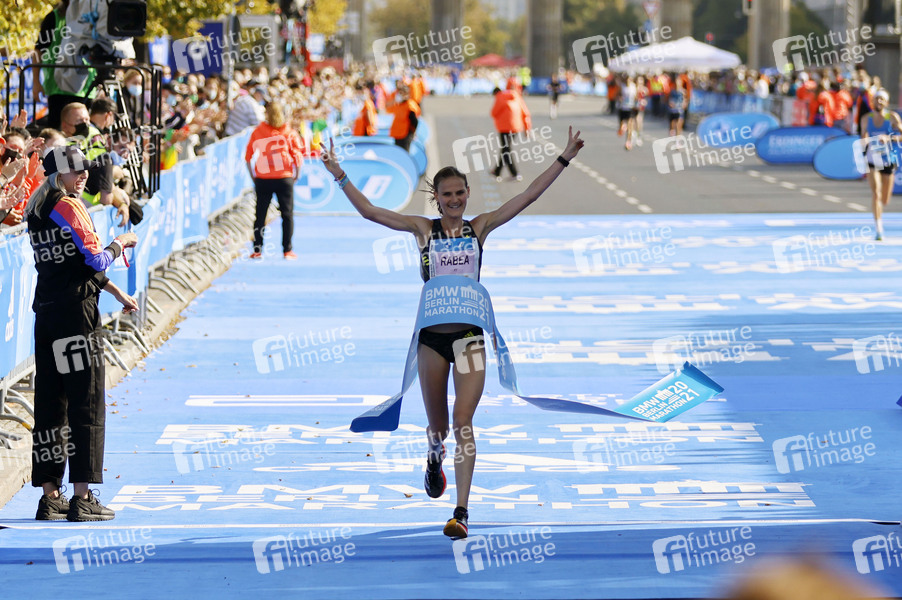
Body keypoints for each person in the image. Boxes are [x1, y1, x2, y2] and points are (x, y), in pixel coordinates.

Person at [319, 126, 585, 539]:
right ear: (437, 199)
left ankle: (461, 512)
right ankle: (433, 454)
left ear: (467, 194)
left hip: (470, 338)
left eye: (460, 193)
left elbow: (528, 195)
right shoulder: (423, 230)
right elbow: (371, 211)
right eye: (447, 195)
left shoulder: (480, 228)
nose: (455, 200)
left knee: (464, 420)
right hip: (431, 340)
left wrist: (564, 158)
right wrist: (339, 173)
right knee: (440, 429)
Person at [25, 145, 138, 521]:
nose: (85, 175)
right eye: (77, 170)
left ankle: (50, 495)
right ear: (59, 175)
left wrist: (114, 290)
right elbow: (95, 258)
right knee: (85, 402)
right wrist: (121, 243)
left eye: (85, 169)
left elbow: (72, 263)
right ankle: (82, 495)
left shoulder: (36, 208)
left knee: (49, 404)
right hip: (76, 317)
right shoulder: (69, 206)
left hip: (47, 313)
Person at [245, 101, 305, 259]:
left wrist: (253, 175)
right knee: (287, 214)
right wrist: (297, 174)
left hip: (263, 178)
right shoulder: (289, 132)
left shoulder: (258, 131)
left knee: (260, 215)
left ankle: (257, 249)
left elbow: (248, 156)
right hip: (284, 177)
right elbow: (297, 155)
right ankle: (287, 250)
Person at [861, 89, 902, 241]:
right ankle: (879, 229)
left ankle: (880, 213)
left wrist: (889, 138)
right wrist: (865, 143)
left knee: (885, 199)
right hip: (872, 159)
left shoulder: (892, 117)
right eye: (876, 99)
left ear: (886, 102)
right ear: (872, 101)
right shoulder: (866, 118)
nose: (879, 102)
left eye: (882, 99)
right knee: (876, 193)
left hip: (888, 160)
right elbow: (863, 136)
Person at [490, 84, 531, 181]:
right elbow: (525, 114)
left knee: (506, 150)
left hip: (503, 127)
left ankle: (514, 173)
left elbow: (493, 112)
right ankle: (497, 171)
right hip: (515, 127)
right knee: (506, 149)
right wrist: (527, 129)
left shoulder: (500, 97)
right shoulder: (518, 97)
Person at [386, 83, 420, 152]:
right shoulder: (399, 104)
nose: (400, 95)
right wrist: (394, 100)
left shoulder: (409, 105)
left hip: (405, 134)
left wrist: (413, 133)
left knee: (404, 153)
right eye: (399, 93)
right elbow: (387, 107)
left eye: (402, 93)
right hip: (397, 134)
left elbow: (414, 121)